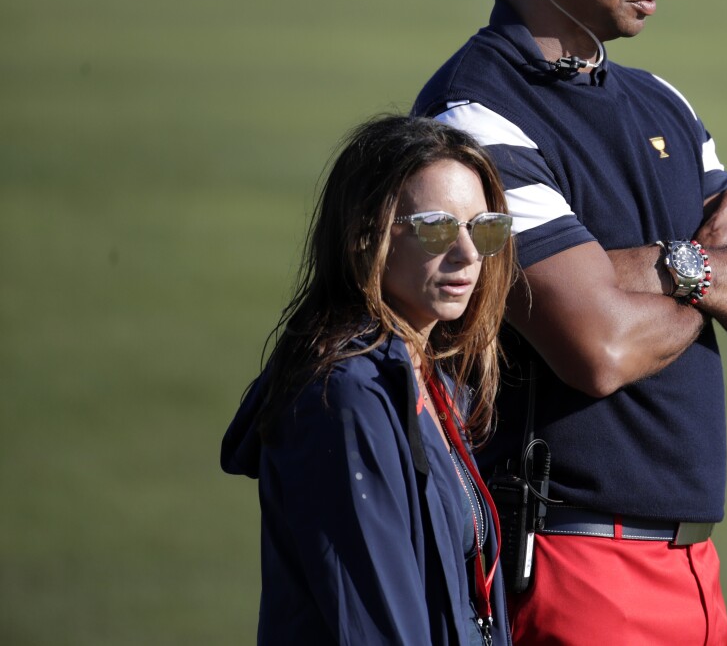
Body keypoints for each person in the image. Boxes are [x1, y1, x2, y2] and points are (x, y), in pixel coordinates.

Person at [414, 0, 727, 646]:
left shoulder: (662, 102)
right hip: (571, 564)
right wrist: (706, 268)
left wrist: (651, 270)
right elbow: (598, 345)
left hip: (693, 570)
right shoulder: (478, 115)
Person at [221, 115, 518, 645]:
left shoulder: (428, 379)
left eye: (483, 228)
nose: (468, 254)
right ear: (365, 235)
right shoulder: (346, 397)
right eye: (437, 227)